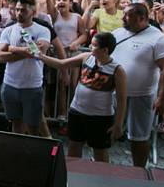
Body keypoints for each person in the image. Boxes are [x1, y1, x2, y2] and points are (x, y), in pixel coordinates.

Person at [36, 32, 127, 162]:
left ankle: (101, 178)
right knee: (74, 146)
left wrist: (118, 124)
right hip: (77, 111)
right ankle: (73, 175)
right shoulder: (86, 57)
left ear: (105, 50)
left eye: (94, 45)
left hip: (100, 117)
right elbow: (62, 63)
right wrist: (41, 57)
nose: (90, 46)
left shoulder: (117, 70)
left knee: (100, 151)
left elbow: (122, 99)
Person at [112, 2, 164, 167]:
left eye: (127, 15)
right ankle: (103, 166)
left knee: (139, 137)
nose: (122, 18)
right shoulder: (118, 33)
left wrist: (163, 98)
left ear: (142, 18)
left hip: (142, 95)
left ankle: (139, 171)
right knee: (107, 130)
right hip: (113, 93)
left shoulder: (160, 39)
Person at [0, 0, 51, 136]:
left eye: (23, 10)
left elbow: (38, 53)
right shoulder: (8, 30)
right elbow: (0, 56)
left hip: (32, 86)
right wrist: (23, 50)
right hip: (10, 84)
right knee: (16, 124)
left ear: (33, 11)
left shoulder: (42, 30)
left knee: (34, 126)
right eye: (18, 9)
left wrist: (12, 48)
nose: (19, 13)